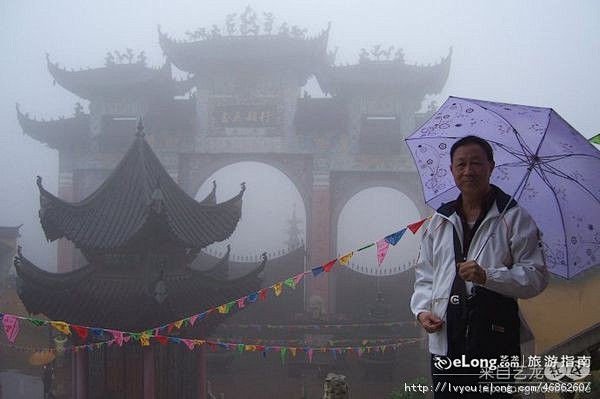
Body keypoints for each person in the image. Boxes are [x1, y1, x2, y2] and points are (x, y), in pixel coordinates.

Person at [410, 135, 549, 398]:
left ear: (491, 167)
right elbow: (425, 275)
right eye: (460, 164)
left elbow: (536, 277)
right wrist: (421, 310)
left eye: (476, 163)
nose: (468, 171)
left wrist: (488, 276)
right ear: (451, 170)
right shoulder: (438, 222)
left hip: (495, 341)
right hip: (445, 341)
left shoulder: (514, 218)